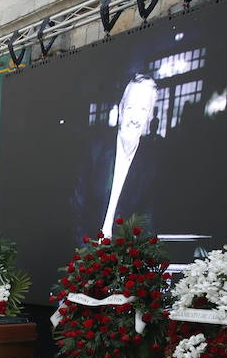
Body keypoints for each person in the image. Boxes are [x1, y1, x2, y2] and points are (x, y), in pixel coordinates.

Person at [70, 73, 165, 240]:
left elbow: (147, 221)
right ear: (121, 109)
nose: (135, 118)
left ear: (150, 116)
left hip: (121, 259)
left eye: (143, 110)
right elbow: (74, 210)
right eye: (130, 108)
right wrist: (85, 252)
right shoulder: (93, 151)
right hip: (84, 252)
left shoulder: (151, 165)